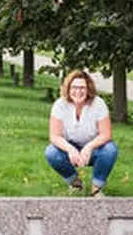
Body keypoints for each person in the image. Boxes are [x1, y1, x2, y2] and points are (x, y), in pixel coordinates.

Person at [45, 69, 119, 197]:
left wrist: (89, 147)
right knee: (51, 152)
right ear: (68, 88)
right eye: (74, 87)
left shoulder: (98, 104)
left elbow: (106, 134)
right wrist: (70, 149)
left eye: (82, 88)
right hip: (71, 148)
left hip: (95, 149)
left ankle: (96, 189)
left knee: (110, 149)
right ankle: (76, 184)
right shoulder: (59, 105)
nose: (78, 91)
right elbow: (54, 136)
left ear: (88, 89)